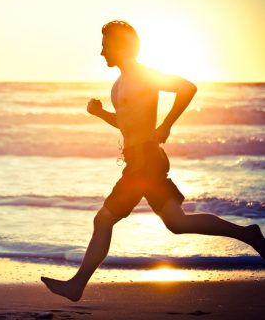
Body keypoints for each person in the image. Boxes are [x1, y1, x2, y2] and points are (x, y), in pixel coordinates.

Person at [41, 20, 265, 302]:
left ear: (120, 46)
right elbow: (126, 125)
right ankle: (249, 234)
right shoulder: (119, 85)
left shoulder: (143, 76)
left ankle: (77, 286)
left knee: (104, 219)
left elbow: (187, 88)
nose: (101, 53)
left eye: (105, 45)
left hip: (146, 161)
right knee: (177, 222)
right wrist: (101, 114)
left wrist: (167, 124)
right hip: (141, 160)